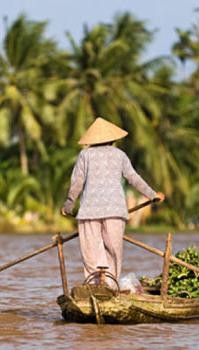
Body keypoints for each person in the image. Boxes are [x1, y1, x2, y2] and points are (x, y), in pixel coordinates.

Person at [61, 117, 164, 289]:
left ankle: (96, 287)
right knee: (114, 251)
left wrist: (68, 207)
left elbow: (76, 183)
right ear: (113, 139)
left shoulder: (84, 155)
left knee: (92, 253)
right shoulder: (119, 155)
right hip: (115, 211)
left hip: (89, 212)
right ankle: (110, 286)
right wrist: (153, 194)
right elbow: (133, 178)